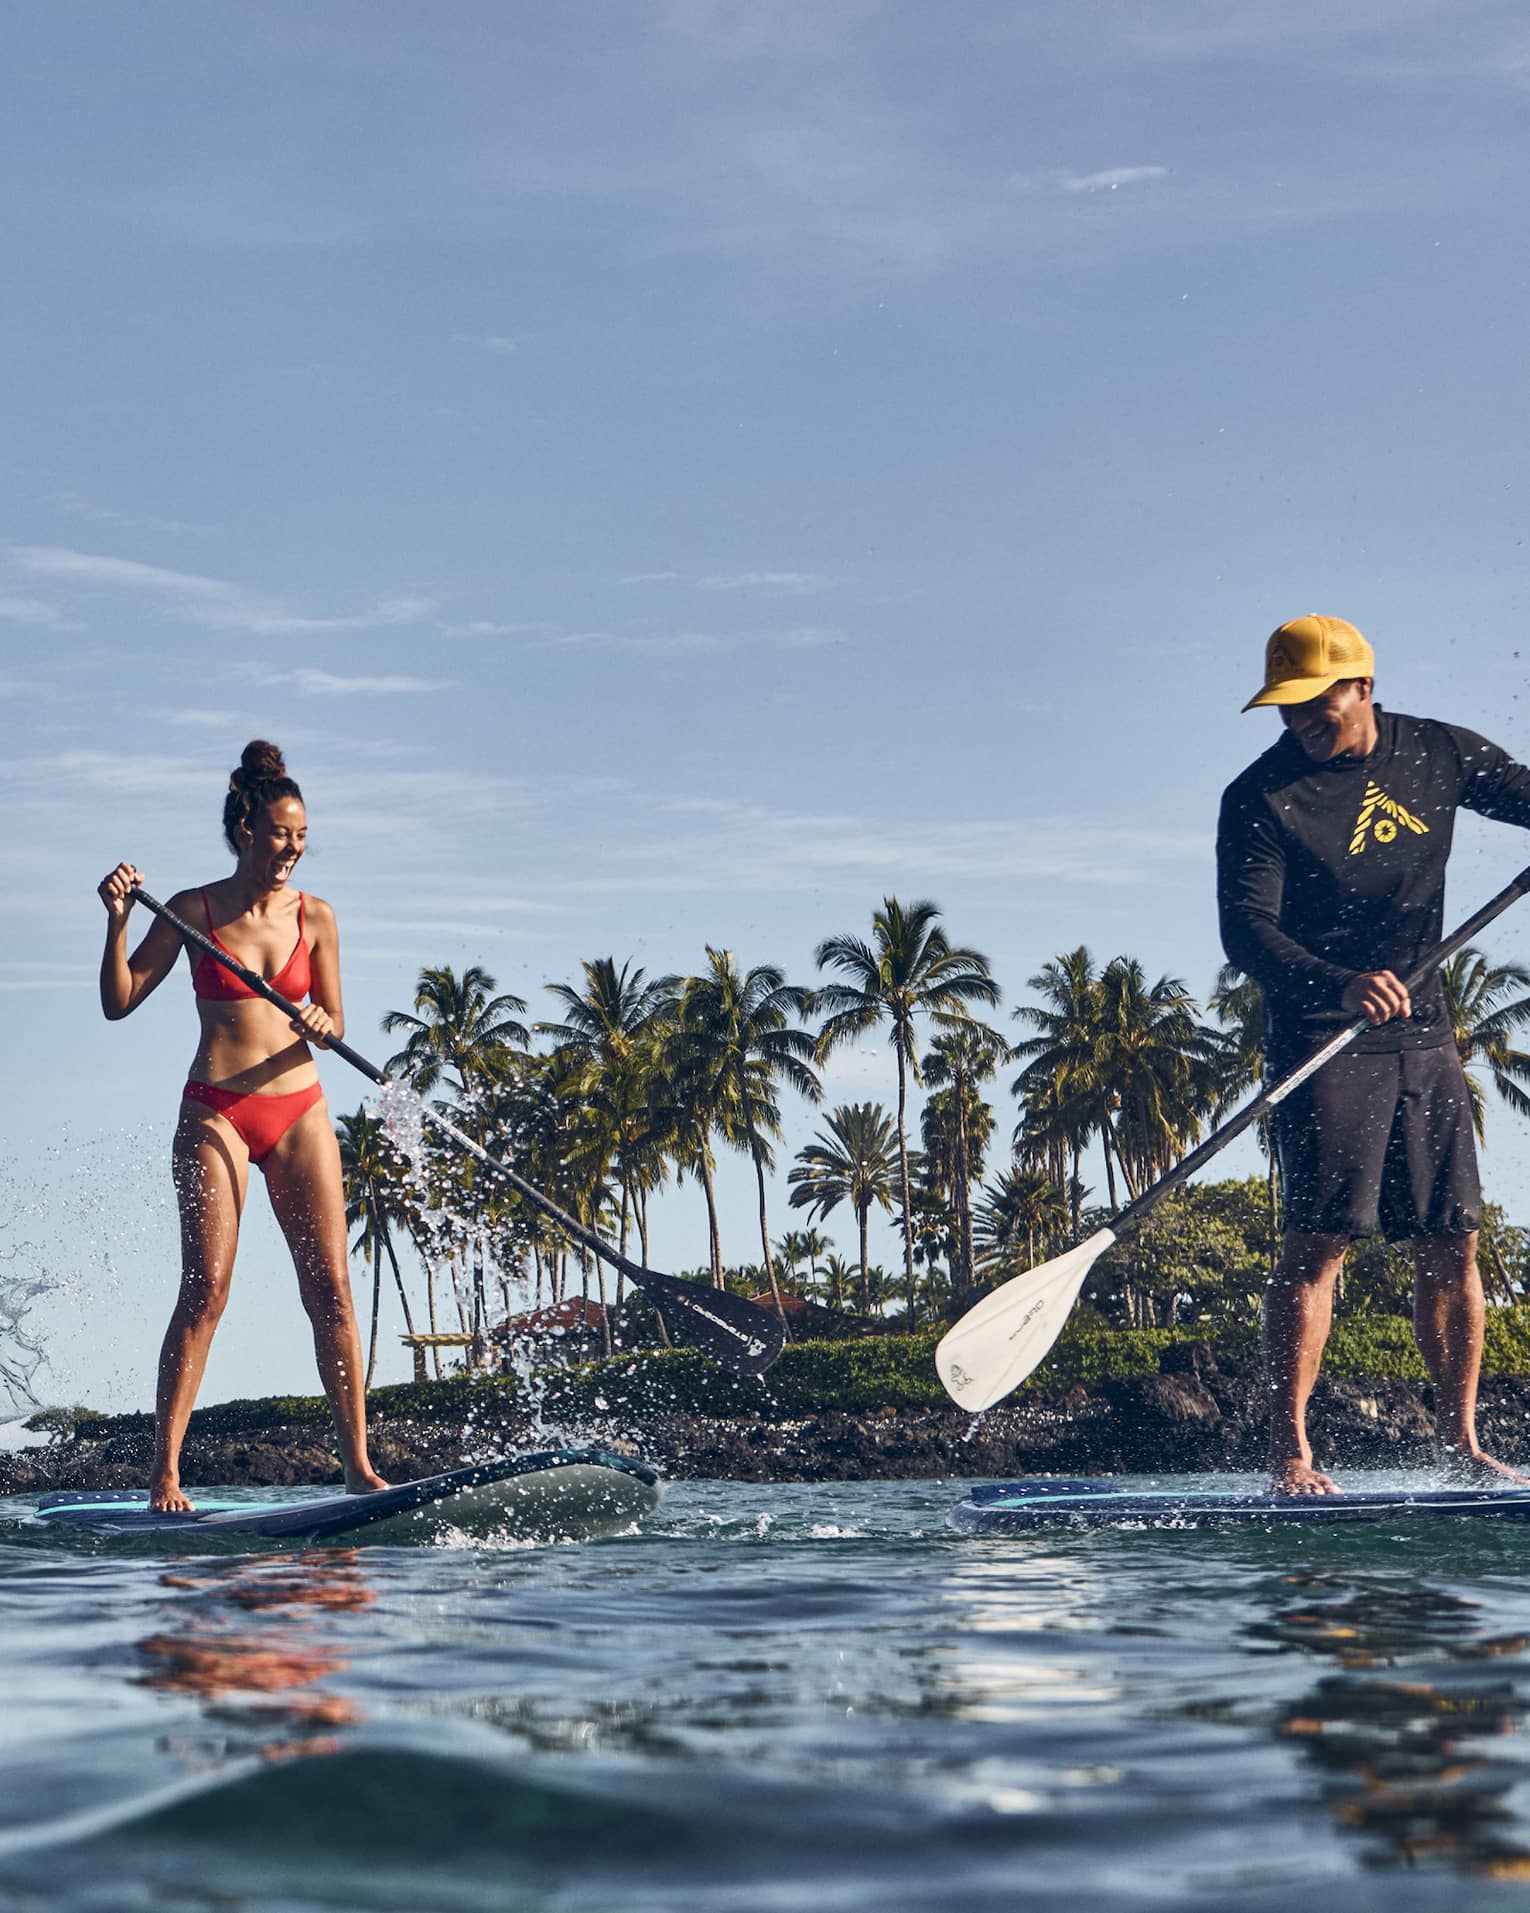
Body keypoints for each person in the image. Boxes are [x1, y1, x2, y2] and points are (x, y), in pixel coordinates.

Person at [1217, 614, 1530, 1494]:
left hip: (1425, 1032)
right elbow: (1247, 932)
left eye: (1317, 703)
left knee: (1454, 1239)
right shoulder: (1262, 797)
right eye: (1288, 710)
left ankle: (1460, 1444)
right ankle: (1290, 1450)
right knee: (1318, 1244)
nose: (1303, 722)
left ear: (1361, 685)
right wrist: (1338, 981)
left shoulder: (1437, 753)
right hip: (1325, 1033)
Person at [98, 740, 388, 1513]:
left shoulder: (318, 916)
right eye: (280, 834)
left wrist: (325, 1021)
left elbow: (332, 1018)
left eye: (302, 834)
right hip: (217, 1110)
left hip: (299, 1108)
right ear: (246, 831)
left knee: (331, 1289)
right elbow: (119, 999)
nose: (293, 848)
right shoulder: (193, 911)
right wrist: (118, 921)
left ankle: (358, 1464)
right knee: (208, 1288)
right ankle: (164, 1473)